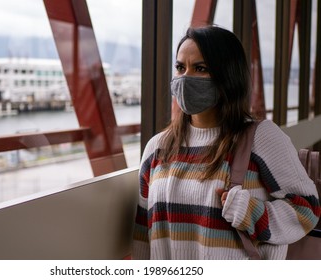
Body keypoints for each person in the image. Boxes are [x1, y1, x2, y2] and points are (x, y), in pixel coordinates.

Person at [132, 25, 320, 260]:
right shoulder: (157, 148)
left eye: (200, 68)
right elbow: (143, 234)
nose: (185, 78)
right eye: (180, 67)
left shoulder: (261, 138)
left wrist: (252, 213)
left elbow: (308, 209)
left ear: (227, 75)